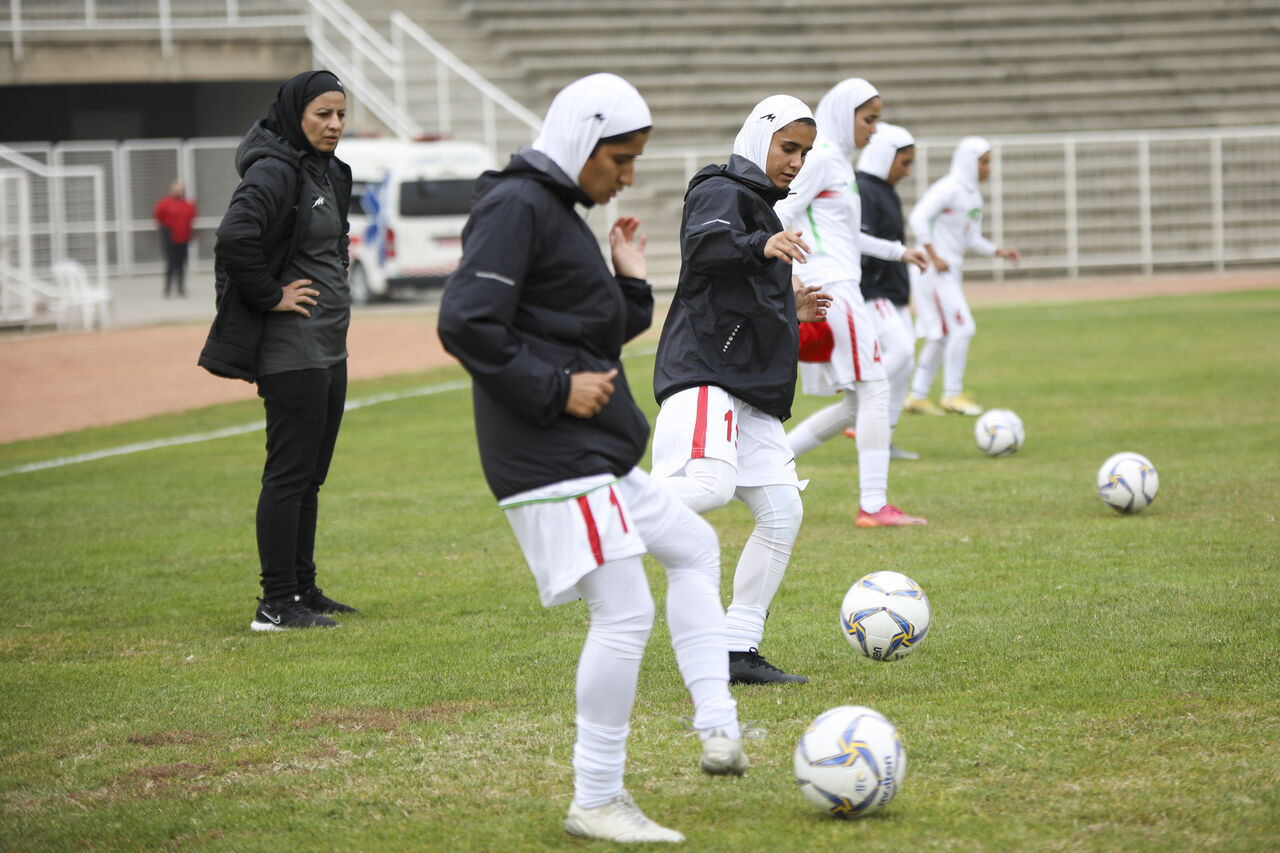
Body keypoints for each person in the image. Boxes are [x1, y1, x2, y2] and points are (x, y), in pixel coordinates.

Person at [437, 73, 748, 845]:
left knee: (695, 543)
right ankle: (597, 796)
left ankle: (719, 726)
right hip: (548, 452)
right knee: (624, 609)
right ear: (583, 138)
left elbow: (587, 338)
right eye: (621, 157)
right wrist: (551, 389)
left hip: (592, 452)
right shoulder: (516, 205)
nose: (628, 175)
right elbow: (466, 323)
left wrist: (630, 283)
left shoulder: (558, 211)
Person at [650, 95, 829, 686]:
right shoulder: (721, 188)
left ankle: (735, 650)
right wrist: (759, 247)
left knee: (782, 511)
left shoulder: (761, 209)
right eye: (788, 147)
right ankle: (605, 516)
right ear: (758, 139)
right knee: (709, 483)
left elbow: (741, 289)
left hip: (746, 388)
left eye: (805, 152)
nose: (797, 162)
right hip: (708, 376)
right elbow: (706, 246)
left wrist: (789, 306)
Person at [197, 70, 358, 631]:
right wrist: (270, 295)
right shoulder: (272, 170)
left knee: (311, 476)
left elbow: (331, 240)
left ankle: (304, 590)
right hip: (293, 350)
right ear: (297, 114)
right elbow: (235, 239)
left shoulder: (333, 171)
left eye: (341, 114)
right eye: (323, 115)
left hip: (329, 347)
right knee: (289, 475)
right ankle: (275, 602)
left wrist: (337, 268)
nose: (335, 125)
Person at [775, 78, 930, 528]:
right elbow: (779, 214)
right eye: (869, 118)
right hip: (833, 288)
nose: (875, 130)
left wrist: (899, 251)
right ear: (845, 114)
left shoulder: (837, 162)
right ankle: (873, 505)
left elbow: (848, 235)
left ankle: (764, 466)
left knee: (858, 402)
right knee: (875, 389)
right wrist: (792, 274)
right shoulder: (821, 158)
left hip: (841, 285)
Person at [903, 137, 1021, 416]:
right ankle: (953, 394)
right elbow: (918, 218)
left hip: (948, 270)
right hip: (931, 270)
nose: (989, 168)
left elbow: (972, 238)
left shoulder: (973, 196)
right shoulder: (948, 189)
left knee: (940, 334)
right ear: (969, 162)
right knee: (963, 327)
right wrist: (934, 255)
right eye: (984, 162)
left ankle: (917, 397)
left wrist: (998, 251)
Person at [854, 122, 921, 460]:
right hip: (873, 290)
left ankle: (884, 437)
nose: (908, 171)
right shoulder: (864, 189)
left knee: (906, 364)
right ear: (884, 156)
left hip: (893, 290)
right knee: (902, 351)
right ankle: (858, 408)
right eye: (904, 163)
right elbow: (860, 243)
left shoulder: (885, 190)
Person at [154, 179, 197, 298]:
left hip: (183, 238)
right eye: (176, 190)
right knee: (170, 263)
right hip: (170, 238)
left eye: (180, 190)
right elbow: (159, 217)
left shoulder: (188, 205)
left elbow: (191, 219)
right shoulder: (165, 204)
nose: (178, 192)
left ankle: (181, 288)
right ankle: (167, 288)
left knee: (182, 263)